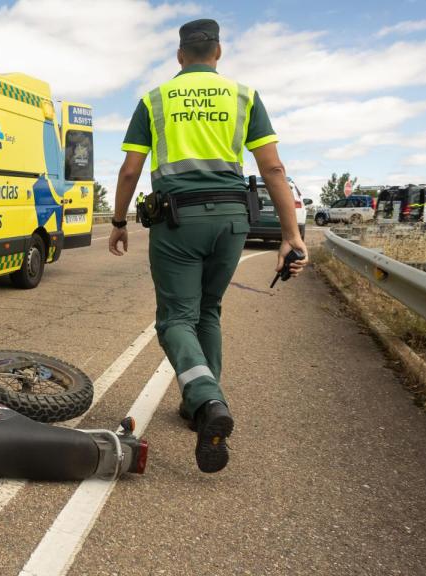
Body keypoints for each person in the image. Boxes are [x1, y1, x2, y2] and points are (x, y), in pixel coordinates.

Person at [107, 18, 308, 473]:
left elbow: (128, 170)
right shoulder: (244, 96)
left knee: (175, 318)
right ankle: (198, 405)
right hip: (232, 220)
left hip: (178, 221)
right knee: (209, 310)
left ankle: (206, 398)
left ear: (181, 56)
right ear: (218, 53)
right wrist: (292, 236)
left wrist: (119, 222)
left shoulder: (154, 99)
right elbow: (274, 169)